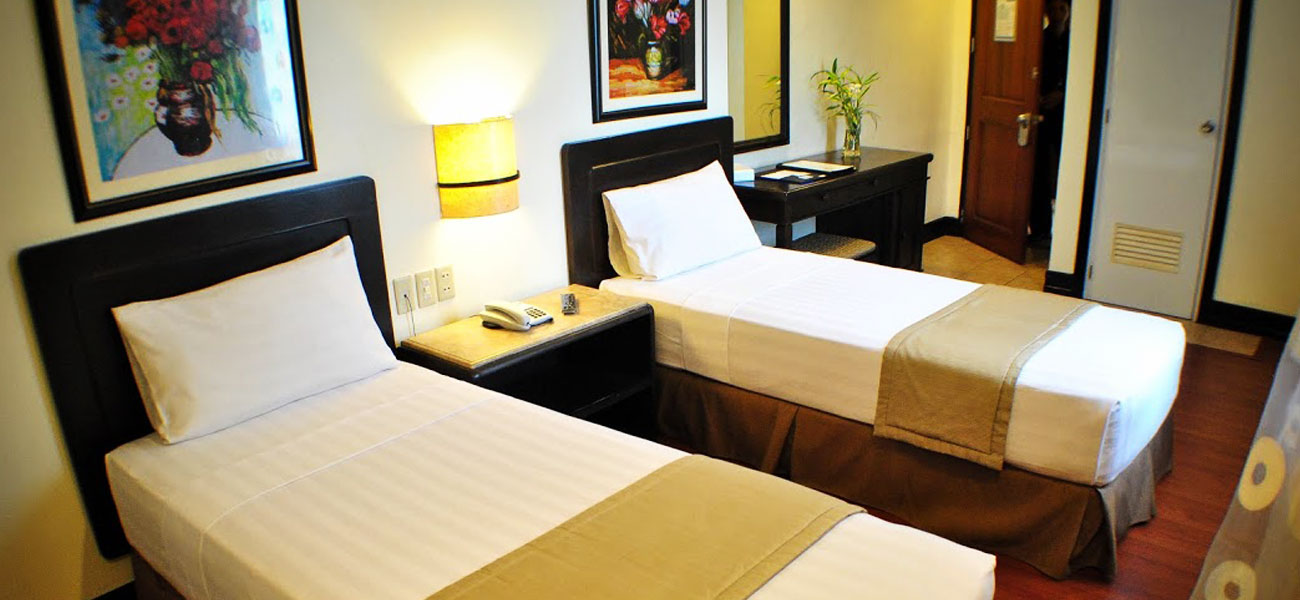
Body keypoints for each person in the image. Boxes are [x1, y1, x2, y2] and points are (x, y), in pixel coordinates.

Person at [1030, 0, 1070, 246]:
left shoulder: (1075, 41)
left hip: (1067, 114)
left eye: (1062, 9)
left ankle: (1065, 231)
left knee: (1065, 168)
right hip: (1040, 113)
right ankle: (1040, 229)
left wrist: (1062, 94)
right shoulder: (1038, 39)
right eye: (1052, 9)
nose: (1057, 14)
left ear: (1069, 11)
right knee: (1039, 171)